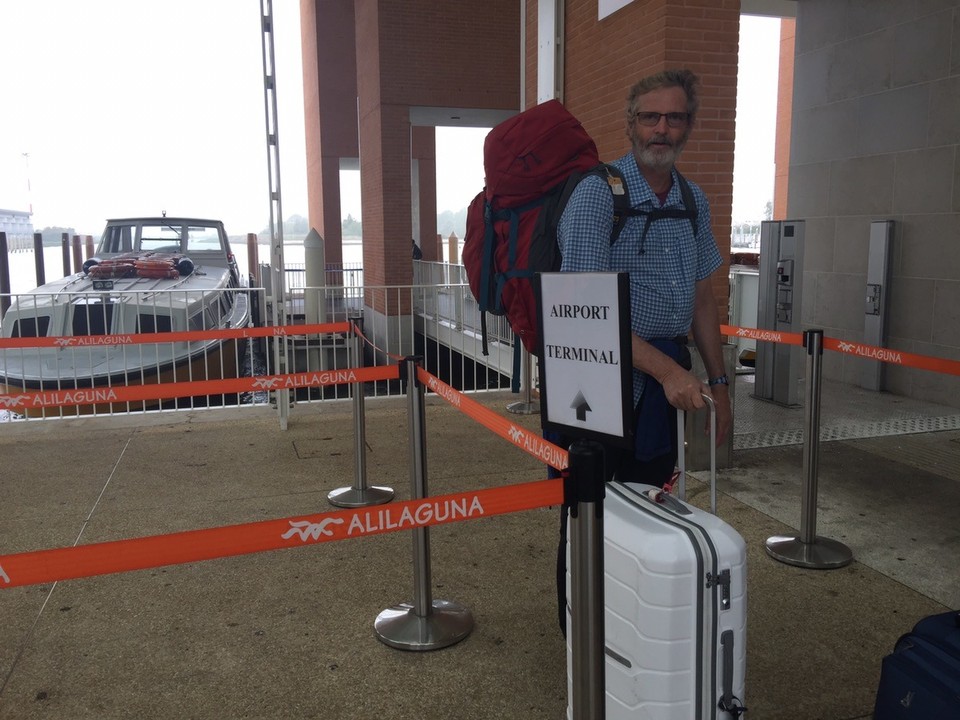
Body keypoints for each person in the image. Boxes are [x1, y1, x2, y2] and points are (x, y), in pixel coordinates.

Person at [553, 68, 732, 633]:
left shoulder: (693, 200)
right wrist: (669, 372)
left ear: (688, 126)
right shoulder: (596, 195)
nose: (662, 128)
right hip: (597, 385)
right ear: (630, 124)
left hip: (662, 389)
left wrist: (719, 383)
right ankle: (582, 632)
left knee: (651, 506)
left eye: (674, 117)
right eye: (650, 117)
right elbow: (584, 314)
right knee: (590, 512)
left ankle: (635, 626)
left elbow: (703, 295)